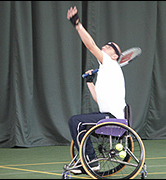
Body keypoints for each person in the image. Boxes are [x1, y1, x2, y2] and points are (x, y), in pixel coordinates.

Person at [66, 6, 126, 174]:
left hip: (112, 119)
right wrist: (90, 81)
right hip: (107, 116)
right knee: (79, 123)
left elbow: (90, 45)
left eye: (109, 46)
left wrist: (77, 24)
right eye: (105, 45)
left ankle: (91, 161)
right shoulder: (108, 71)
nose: (105, 46)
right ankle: (88, 160)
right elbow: (99, 100)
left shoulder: (110, 63)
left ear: (114, 56)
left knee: (75, 121)